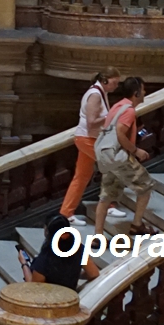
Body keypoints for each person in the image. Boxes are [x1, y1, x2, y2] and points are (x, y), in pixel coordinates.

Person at [92, 77, 151, 232]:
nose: (145, 92)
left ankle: (97, 235)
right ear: (136, 92)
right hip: (120, 157)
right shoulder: (129, 110)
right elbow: (120, 133)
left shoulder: (117, 106)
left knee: (105, 196)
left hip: (109, 158)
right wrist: (136, 151)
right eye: (143, 89)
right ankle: (137, 224)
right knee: (146, 186)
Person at [61, 68, 121, 220]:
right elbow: (91, 122)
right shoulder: (95, 95)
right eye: (115, 82)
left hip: (90, 138)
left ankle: (66, 213)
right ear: (105, 80)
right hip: (88, 139)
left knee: (81, 176)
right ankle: (110, 206)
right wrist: (111, 115)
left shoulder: (101, 93)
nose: (116, 86)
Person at [22, 212, 100, 290]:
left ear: (47, 231)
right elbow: (93, 273)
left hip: (50, 300)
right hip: (70, 298)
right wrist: (72, 273)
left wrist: (24, 264)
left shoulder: (45, 258)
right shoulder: (79, 248)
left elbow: (34, 288)